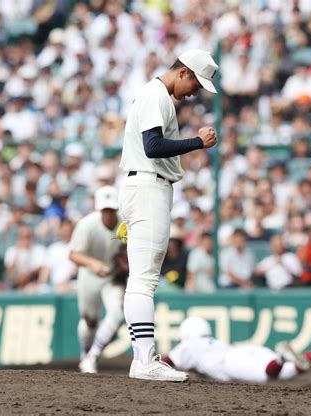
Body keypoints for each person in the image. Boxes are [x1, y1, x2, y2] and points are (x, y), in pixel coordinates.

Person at [118, 49, 218, 382]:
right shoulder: (155, 94)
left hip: (144, 187)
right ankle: (144, 360)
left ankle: (142, 358)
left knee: (140, 280)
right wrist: (196, 143)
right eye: (196, 83)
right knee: (144, 281)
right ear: (183, 72)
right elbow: (153, 146)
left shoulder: (156, 95)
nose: (195, 92)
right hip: (148, 188)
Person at [163, 317, 311, 384]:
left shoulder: (188, 345)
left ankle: (281, 358)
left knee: (268, 375)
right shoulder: (211, 342)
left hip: (231, 363)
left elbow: (165, 362)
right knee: (285, 374)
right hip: (245, 351)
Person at [69, 186, 128, 374]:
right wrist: (93, 264)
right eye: (106, 210)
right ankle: (85, 355)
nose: (109, 214)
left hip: (112, 277)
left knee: (117, 314)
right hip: (90, 276)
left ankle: (92, 357)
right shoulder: (87, 225)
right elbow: (73, 255)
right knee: (90, 322)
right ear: (99, 209)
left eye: (112, 210)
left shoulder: (125, 224)